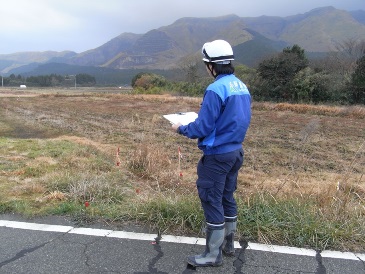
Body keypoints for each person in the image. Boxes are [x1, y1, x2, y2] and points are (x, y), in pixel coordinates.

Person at [171, 39, 251, 267]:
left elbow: (203, 127)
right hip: (236, 152)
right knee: (227, 196)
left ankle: (211, 255)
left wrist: (181, 128)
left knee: (211, 198)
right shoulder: (241, 86)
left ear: (210, 65)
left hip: (217, 157)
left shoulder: (215, 89)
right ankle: (228, 244)